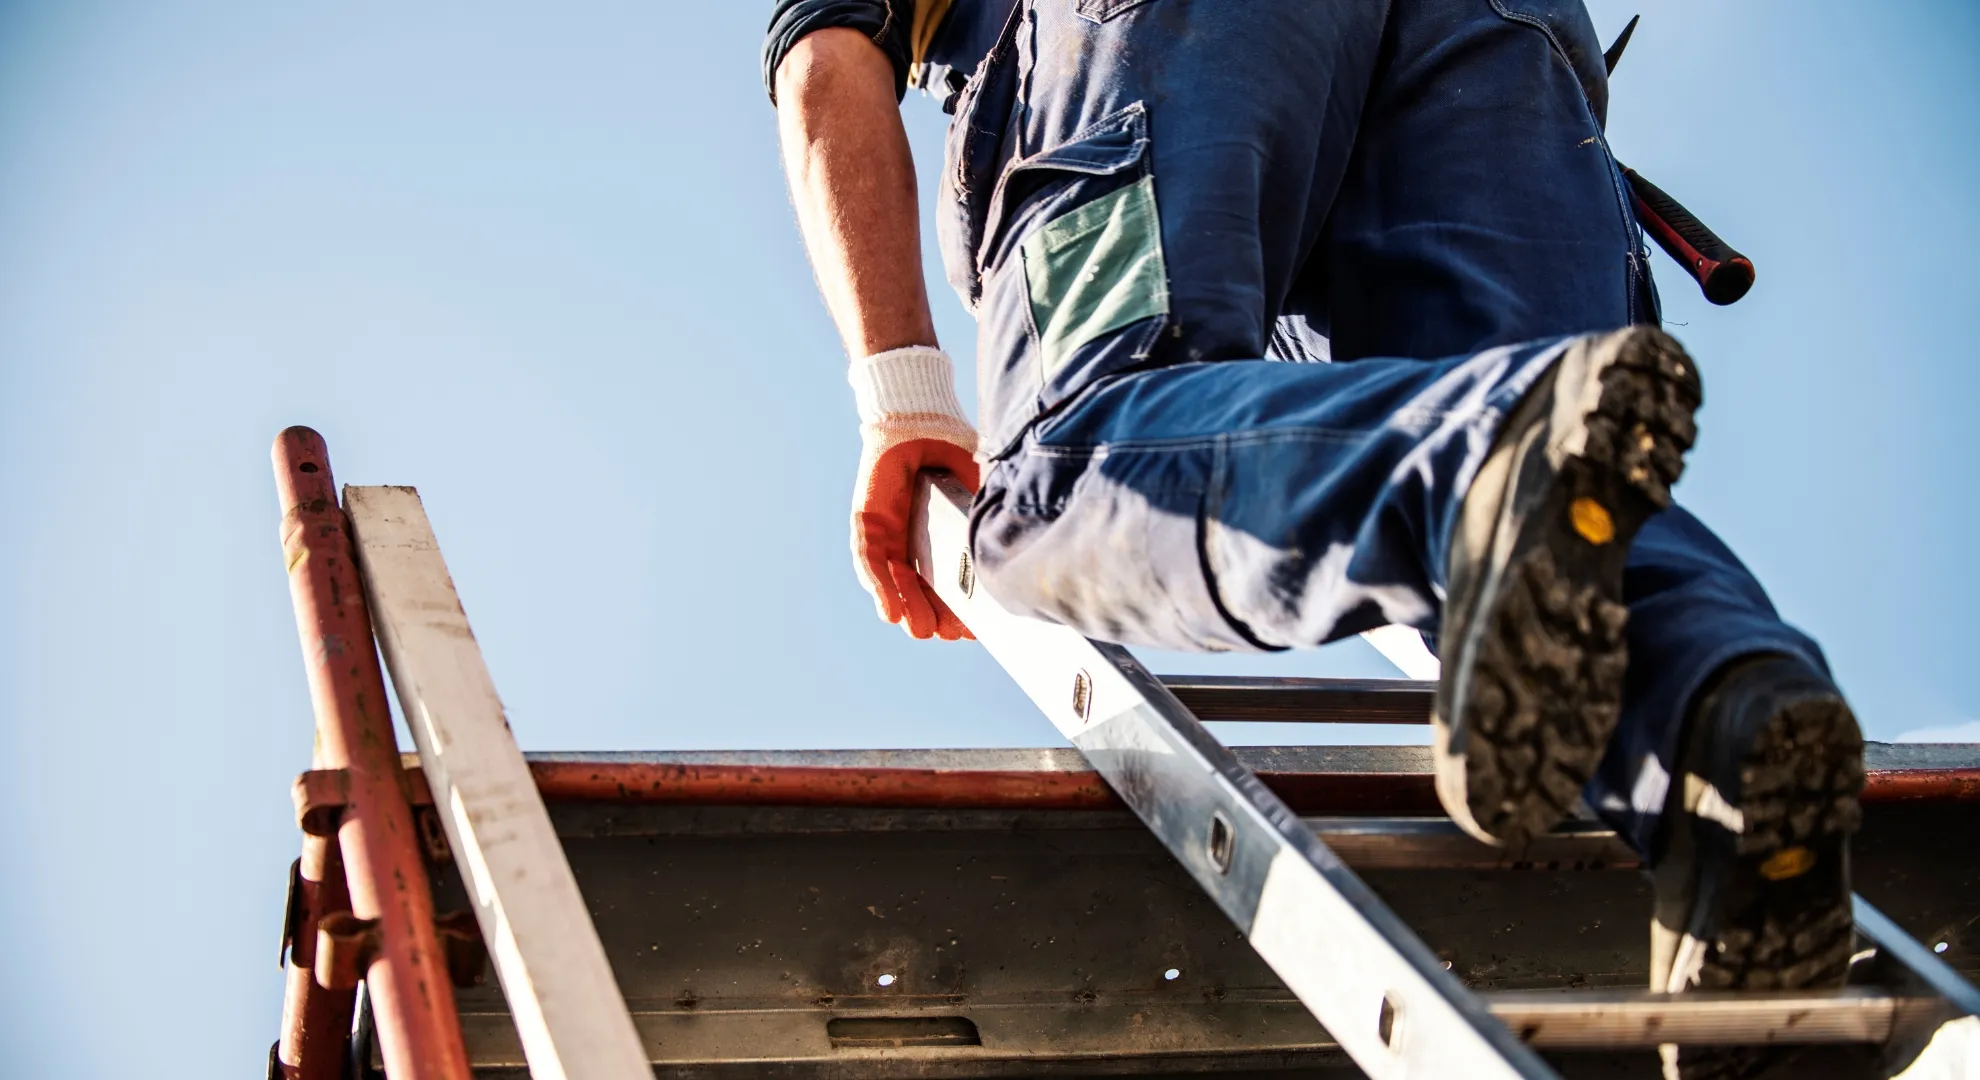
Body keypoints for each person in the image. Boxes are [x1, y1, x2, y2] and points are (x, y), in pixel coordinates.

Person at [764, 3, 1865, 1075]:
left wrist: (901, 395)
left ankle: (1480, 457)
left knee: (1071, 462)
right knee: (1563, 478)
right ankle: (1730, 737)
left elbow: (823, 58)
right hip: (1502, 37)